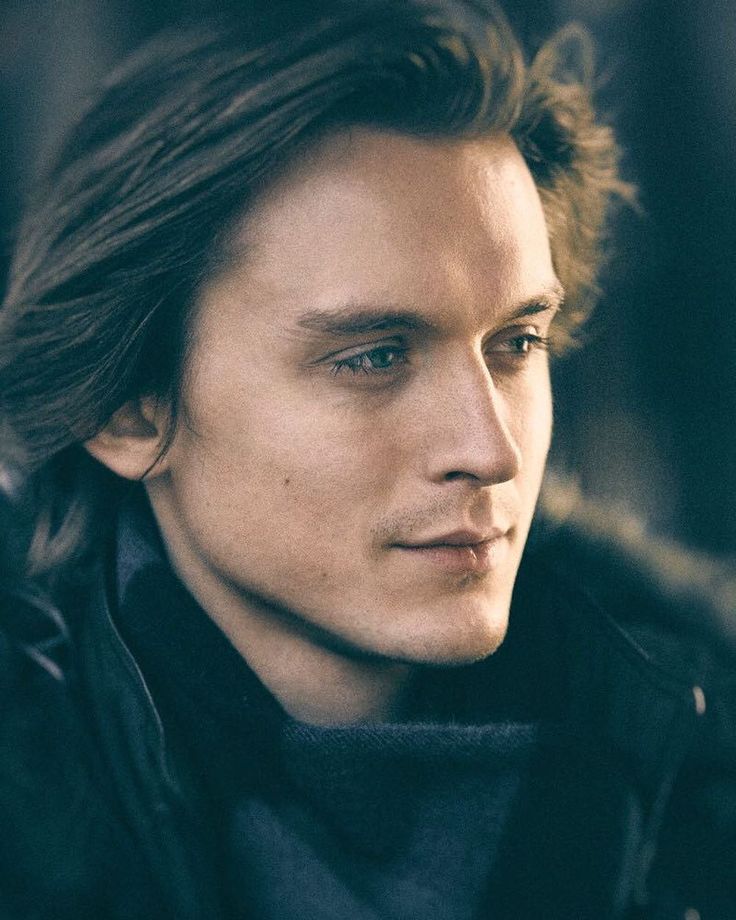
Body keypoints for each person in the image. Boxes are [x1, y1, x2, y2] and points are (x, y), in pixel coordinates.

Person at [0, 1, 733, 917]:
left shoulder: (700, 755)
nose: (492, 451)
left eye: (516, 344)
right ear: (127, 410)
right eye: (374, 358)